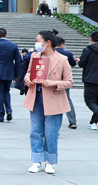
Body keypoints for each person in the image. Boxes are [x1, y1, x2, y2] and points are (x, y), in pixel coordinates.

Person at [23, 30, 73, 174]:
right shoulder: (35, 56)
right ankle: (36, 160)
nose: (36, 43)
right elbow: (29, 72)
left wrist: (54, 83)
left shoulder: (62, 59)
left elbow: (69, 81)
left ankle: (50, 161)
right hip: (36, 96)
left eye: (38, 40)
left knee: (51, 132)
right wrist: (27, 78)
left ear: (47, 42)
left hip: (53, 98)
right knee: (35, 130)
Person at [78, 31, 98, 130]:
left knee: (89, 100)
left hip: (91, 79)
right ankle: (93, 122)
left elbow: (82, 63)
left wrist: (79, 60)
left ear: (90, 39)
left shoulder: (88, 50)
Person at [0, 28, 22, 122]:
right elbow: (18, 61)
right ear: (6, 35)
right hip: (9, 73)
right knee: (6, 91)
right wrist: (17, 75)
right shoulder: (13, 46)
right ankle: (9, 110)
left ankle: (0, 115)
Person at [55, 36, 79, 129]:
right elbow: (73, 64)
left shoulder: (50, 53)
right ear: (62, 45)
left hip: (51, 80)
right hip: (64, 80)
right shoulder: (68, 54)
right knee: (67, 99)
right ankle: (72, 121)